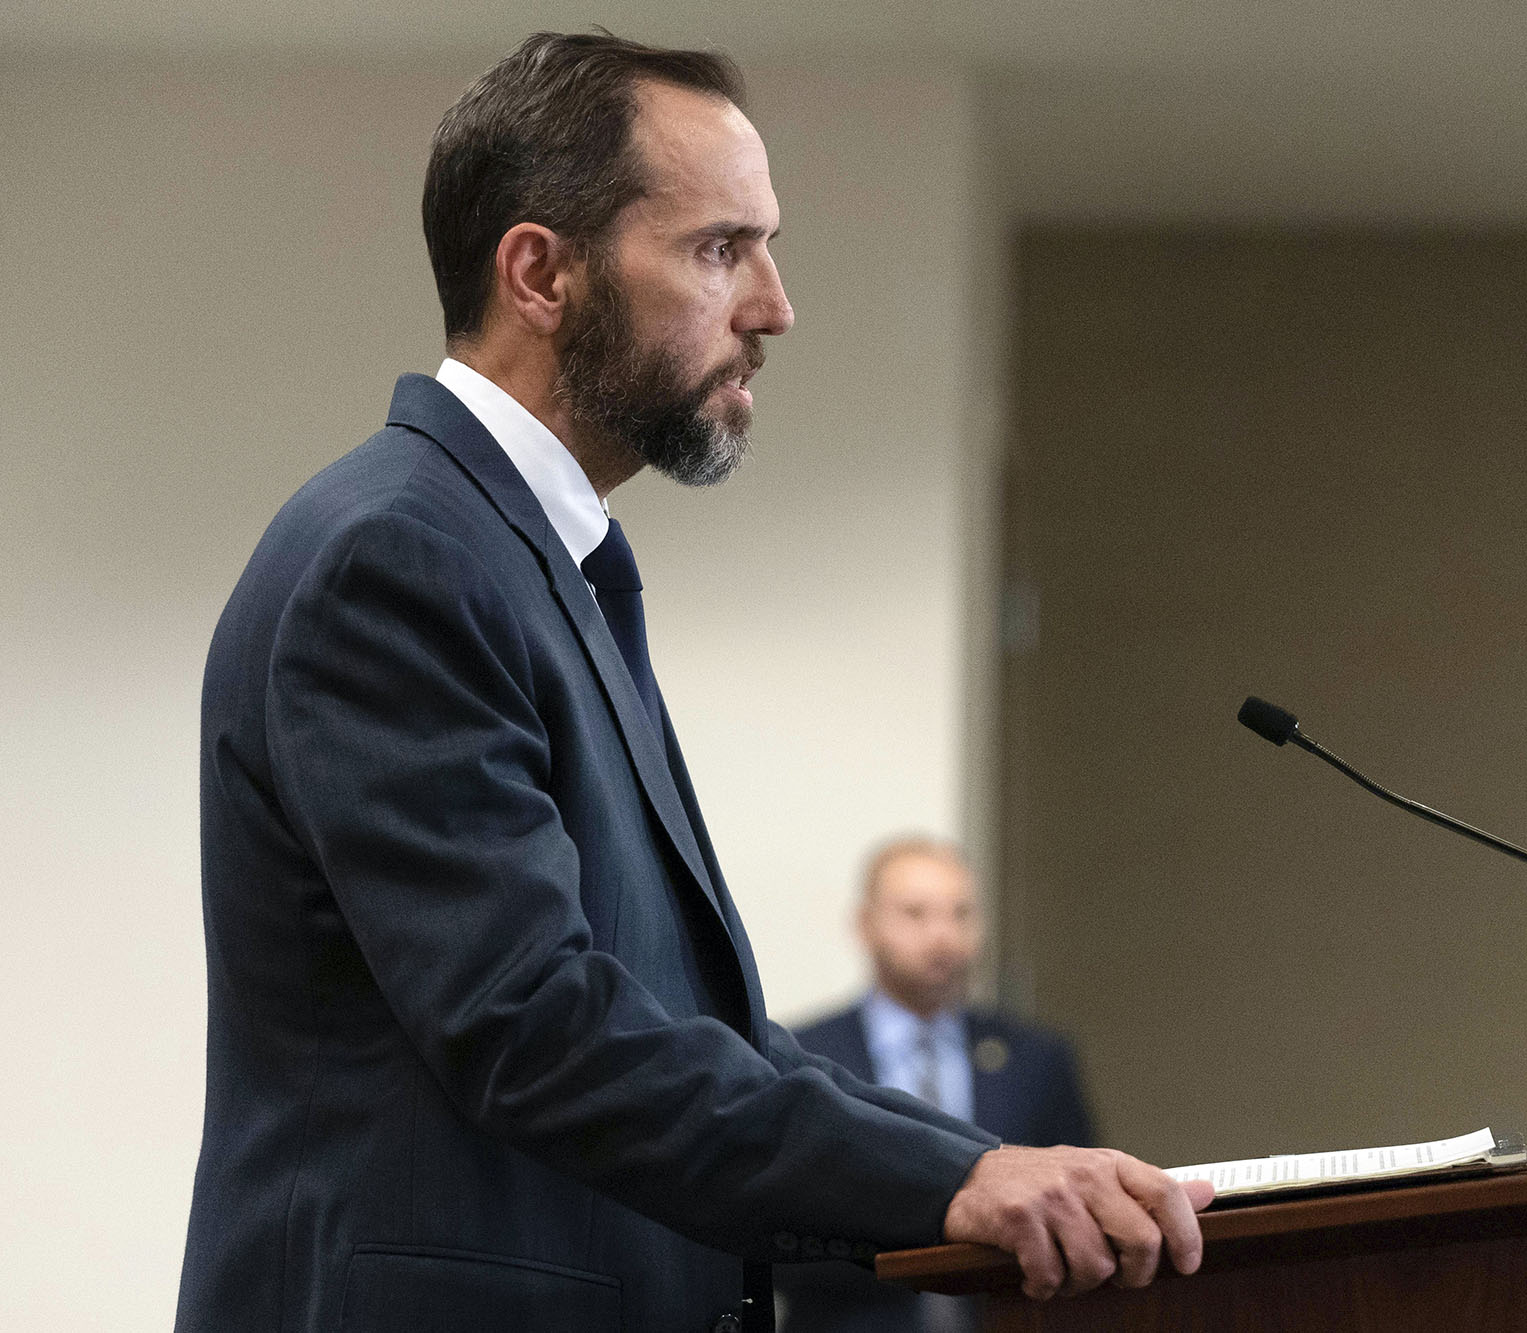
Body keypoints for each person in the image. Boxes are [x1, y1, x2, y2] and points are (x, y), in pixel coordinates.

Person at [173, 31, 1210, 1333]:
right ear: (541, 272)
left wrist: (989, 1169)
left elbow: (691, 1032)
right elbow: (536, 1024)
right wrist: (959, 1173)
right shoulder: (400, 557)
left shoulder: (543, 559)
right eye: (723, 248)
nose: (774, 305)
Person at [779, 837, 1097, 1332]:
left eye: (961, 914)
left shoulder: (1037, 1060)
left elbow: (1080, 1210)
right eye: (916, 914)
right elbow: (779, 1225)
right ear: (865, 925)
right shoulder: (803, 1057)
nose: (943, 936)